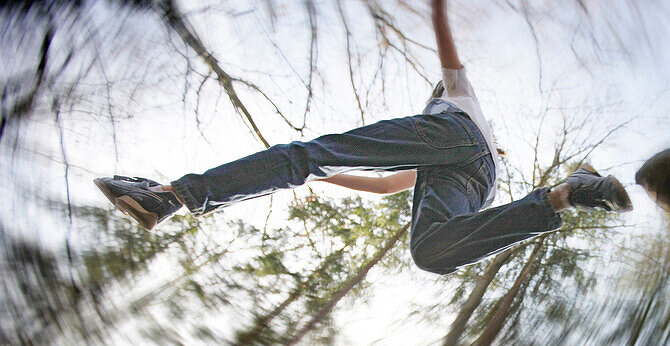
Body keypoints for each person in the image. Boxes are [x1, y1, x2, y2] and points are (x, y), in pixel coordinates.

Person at [94, 0, 631, 275]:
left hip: (460, 145)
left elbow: (448, 50)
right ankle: (567, 193)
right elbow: (384, 187)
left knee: (304, 154)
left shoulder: (457, 101)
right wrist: (321, 177)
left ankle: (167, 197)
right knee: (430, 252)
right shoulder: (442, 156)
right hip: (476, 183)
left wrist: (438, 9)